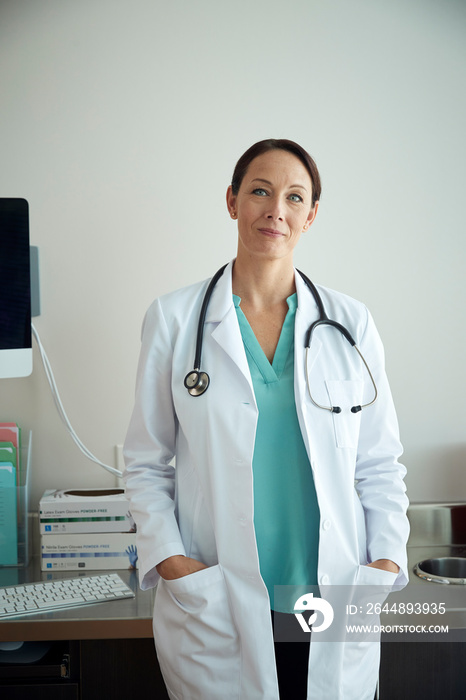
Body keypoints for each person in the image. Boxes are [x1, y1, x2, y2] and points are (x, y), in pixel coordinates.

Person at [123, 138, 410, 700]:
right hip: (218, 598)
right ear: (232, 201)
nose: (276, 209)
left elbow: (378, 463)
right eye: (260, 191)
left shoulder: (351, 323)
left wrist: (384, 561)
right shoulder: (174, 320)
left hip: (334, 595)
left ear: (311, 216)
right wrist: (174, 562)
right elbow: (146, 462)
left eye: (294, 197)